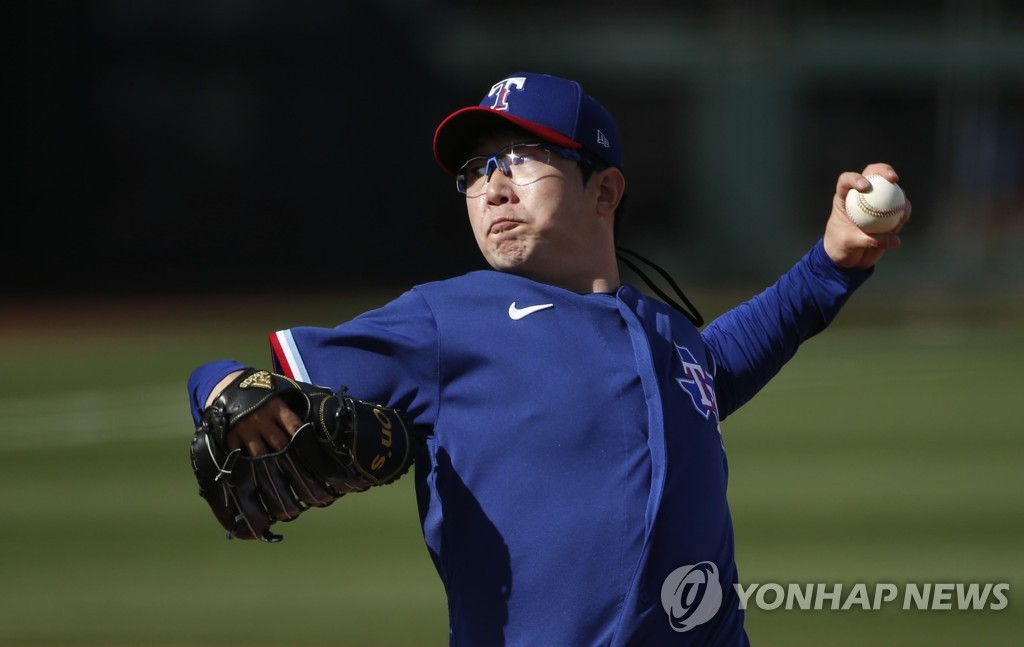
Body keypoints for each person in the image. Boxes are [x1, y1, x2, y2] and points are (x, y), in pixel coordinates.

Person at [187, 71, 909, 645]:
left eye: (520, 159)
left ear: (605, 188)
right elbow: (254, 386)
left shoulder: (665, 334)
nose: (491, 186)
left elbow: (713, 369)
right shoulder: (447, 318)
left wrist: (831, 264)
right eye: (473, 171)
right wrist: (216, 384)